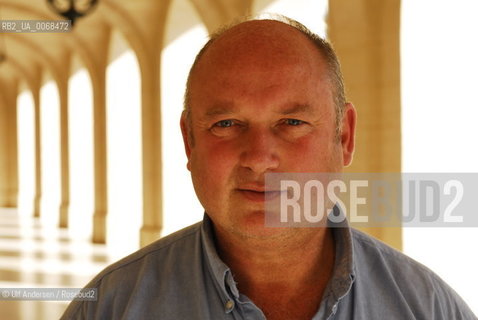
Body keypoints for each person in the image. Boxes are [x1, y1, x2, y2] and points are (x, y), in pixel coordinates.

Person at [61, 15, 477, 320]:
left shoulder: (429, 308)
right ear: (189, 140)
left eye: (292, 123)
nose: (259, 157)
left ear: (344, 137)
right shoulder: (111, 307)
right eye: (226, 124)